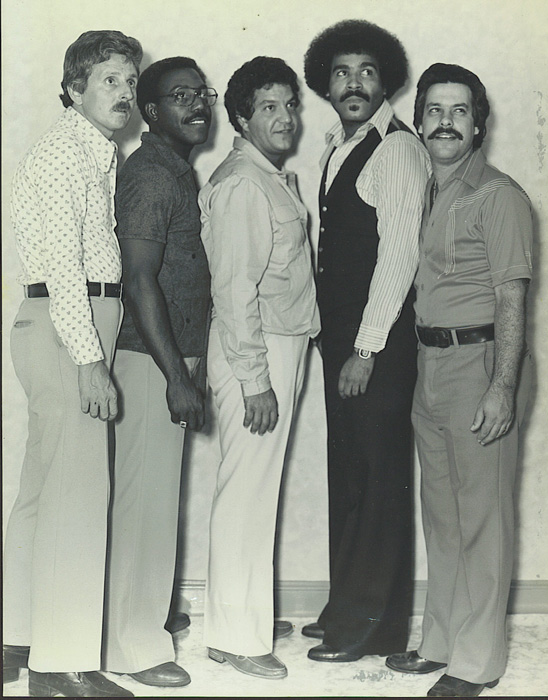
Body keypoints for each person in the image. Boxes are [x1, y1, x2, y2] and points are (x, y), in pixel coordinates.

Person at [385, 63, 533, 698]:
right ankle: (440, 642)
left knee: (482, 517)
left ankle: (478, 662)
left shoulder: (498, 195)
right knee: (443, 514)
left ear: (479, 126)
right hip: (430, 364)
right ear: (420, 122)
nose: (446, 122)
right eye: (435, 111)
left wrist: (503, 386)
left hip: (480, 364)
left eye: (460, 111)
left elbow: (510, 297)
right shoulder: (423, 190)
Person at [3, 30, 142, 698]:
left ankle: (18, 637)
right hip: (70, 322)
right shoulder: (66, 152)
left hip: (58, 320)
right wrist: (90, 360)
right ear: (74, 88)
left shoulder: (93, 150)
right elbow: (64, 266)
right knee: (78, 495)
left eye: (131, 81)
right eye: (110, 79)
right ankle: (61, 665)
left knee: (43, 488)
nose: (125, 92)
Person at [301, 20, 430, 662]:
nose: (353, 84)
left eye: (367, 72)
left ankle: (372, 626)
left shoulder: (398, 149)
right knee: (350, 471)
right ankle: (346, 605)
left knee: (378, 479)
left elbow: (399, 257)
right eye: (341, 72)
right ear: (326, 83)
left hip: (376, 345)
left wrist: (366, 348)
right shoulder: (338, 144)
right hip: (345, 343)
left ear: (387, 82)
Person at [199, 56, 320, 679]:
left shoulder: (268, 178)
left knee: (252, 489)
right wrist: (255, 380)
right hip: (257, 348)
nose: (285, 117)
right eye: (268, 107)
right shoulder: (245, 184)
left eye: (290, 105)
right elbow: (233, 289)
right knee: (246, 491)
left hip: (277, 342)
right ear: (242, 119)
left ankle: (240, 621)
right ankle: (237, 638)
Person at [102, 57, 215, 688]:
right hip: (150, 362)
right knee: (144, 506)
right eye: (181, 96)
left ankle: (141, 620)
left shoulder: (175, 170)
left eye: (202, 93)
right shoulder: (150, 175)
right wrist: (176, 375)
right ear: (151, 111)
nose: (198, 105)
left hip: (168, 359)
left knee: (154, 502)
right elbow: (138, 279)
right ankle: (133, 648)